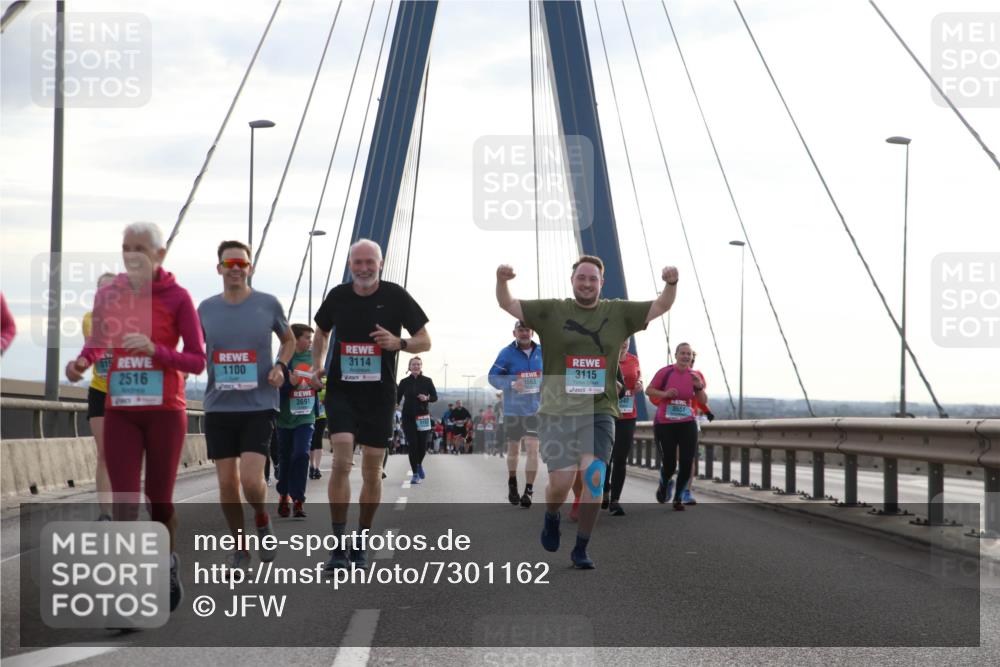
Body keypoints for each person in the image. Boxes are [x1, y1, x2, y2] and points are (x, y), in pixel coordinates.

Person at [496, 255, 678, 568]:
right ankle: (551, 515)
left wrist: (671, 284)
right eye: (581, 277)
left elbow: (661, 305)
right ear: (573, 281)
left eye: (593, 279)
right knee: (562, 484)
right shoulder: (553, 310)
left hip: (599, 410)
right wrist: (503, 280)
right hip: (557, 411)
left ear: (601, 283)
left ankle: (581, 547)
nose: (587, 283)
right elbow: (508, 304)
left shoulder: (617, 311)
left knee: (594, 478)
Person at [66, 221, 205, 611]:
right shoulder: (110, 294)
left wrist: (154, 349)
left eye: (140, 249)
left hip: (164, 412)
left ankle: (167, 562)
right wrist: (81, 362)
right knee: (125, 503)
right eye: (126, 247)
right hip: (121, 411)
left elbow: (197, 360)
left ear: (159, 255)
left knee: (158, 502)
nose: (131, 255)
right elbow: (98, 342)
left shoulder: (178, 298)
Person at [312, 239, 430, 570]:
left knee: (372, 472)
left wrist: (400, 343)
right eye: (357, 262)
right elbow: (320, 331)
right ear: (350, 264)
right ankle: (337, 546)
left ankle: (361, 541)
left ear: (380, 263)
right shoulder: (338, 296)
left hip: (379, 396)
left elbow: (426, 340)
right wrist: (317, 363)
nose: (363, 268)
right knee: (341, 460)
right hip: (342, 392)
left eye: (369, 262)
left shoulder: (395, 296)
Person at [198, 240, 295, 566]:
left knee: (252, 481)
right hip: (219, 406)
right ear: (220, 269)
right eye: (229, 263)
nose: (236, 268)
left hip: (258, 406)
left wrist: (281, 366)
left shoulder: (267, 304)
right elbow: (194, 346)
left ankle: (262, 518)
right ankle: (239, 547)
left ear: (250, 268)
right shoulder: (206, 308)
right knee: (227, 483)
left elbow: (289, 339)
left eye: (241, 263)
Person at [646, 342, 707, 511]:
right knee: (670, 463)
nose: (686, 356)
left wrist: (698, 386)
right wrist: (664, 394)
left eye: (689, 354)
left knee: (687, 462)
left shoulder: (694, 376)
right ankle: (664, 483)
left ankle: (678, 498)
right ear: (676, 355)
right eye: (683, 353)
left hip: (687, 422)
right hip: (665, 423)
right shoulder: (665, 372)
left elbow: (702, 402)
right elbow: (648, 390)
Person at [488, 320, 542, 507]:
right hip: (513, 409)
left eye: (527, 329)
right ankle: (512, 482)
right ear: (514, 333)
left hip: (536, 409)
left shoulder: (543, 352)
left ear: (532, 331)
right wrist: (511, 383)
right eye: (521, 330)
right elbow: (493, 377)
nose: (524, 333)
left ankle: (529, 490)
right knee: (514, 450)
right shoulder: (507, 353)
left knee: (533, 449)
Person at [82, 272, 117, 521]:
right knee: (104, 452)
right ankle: (105, 512)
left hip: (129, 393)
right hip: (100, 390)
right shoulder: (89, 319)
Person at [276, 324, 318, 519]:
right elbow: (273, 389)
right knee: (285, 459)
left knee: (301, 454)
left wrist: (319, 385)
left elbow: (321, 384)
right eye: (307, 337)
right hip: (285, 419)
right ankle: (283, 495)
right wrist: (288, 385)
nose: (310, 341)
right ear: (296, 339)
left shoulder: (314, 359)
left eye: (311, 338)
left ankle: (298, 500)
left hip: (306, 417)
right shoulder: (283, 360)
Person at [604, 338, 642, 516]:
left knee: (620, 458)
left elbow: (638, 377)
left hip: (628, 415)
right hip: (607, 413)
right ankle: (604, 491)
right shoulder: (605, 357)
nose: (624, 341)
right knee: (606, 458)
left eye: (627, 338)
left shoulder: (633, 359)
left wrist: (640, 384)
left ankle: (615, 500)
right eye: (621, 337)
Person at [397, 356, 438, 484]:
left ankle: (419, 464)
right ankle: (415, 473)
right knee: (413, 444)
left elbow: (435, 397)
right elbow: (397, 399)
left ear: (421, 367)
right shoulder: (404, 382)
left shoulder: (427, 381)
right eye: (414, 364)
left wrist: (427, 398)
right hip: (408, 416)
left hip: (423, 416)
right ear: (409, 367)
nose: (416, 366)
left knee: (422, 445)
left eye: (418, 365)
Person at [310, 387, 328, 479]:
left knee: (318, 439)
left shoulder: (326, 379)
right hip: (309, 414)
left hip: (322, 415)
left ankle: (317, 468)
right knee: (312, 440)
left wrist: (324, 400)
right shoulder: (309, 378)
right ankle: (311, 466)